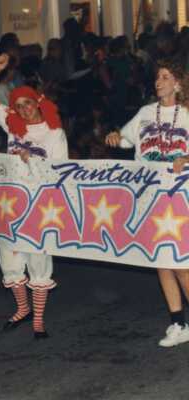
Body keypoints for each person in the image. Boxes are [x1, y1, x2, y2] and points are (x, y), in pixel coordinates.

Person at [0, 54, 68, 339]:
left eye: (27, 103)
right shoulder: (12, 124)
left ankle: (38, 320)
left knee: (38, 261)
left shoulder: (55, 134)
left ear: (38, 101)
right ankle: (22, 308)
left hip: (40, 205)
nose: (24, 110)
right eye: (18, 107)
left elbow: (60, 173)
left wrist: (34, 160)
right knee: (10, 258)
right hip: (11, 204)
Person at [105, 59, 189, 347]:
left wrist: (185, 158)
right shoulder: (144, 113)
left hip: (179, 198)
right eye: (157, 77)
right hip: (149, 196)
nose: (159, 81)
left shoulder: (187, 115)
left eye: (165, 77)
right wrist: (116, 137)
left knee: (180, 262)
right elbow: (127, 140)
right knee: (161, 261)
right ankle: (178, 323)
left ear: (177, 83)